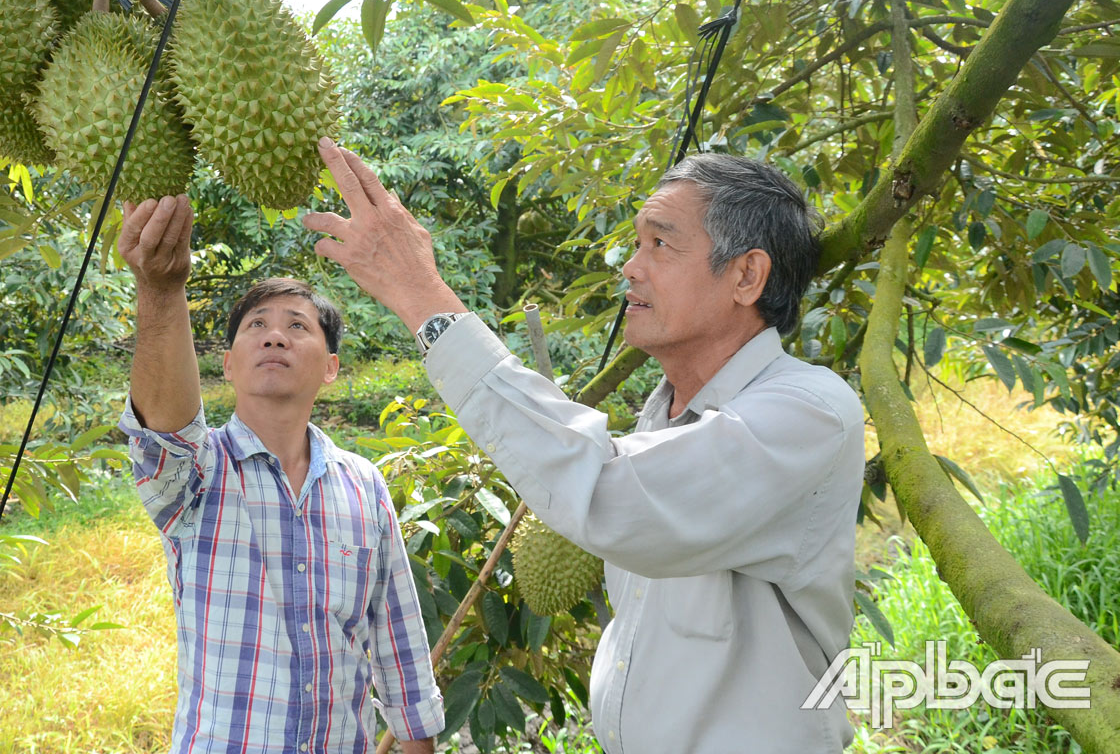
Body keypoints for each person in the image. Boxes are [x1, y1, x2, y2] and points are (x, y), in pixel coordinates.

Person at [303, 142, 865, 753]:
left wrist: (422, 294)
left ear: (746, 275)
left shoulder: (809, 413)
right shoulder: (661, 417)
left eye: (661, 243)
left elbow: (609, 497)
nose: (630, 266)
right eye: (636, 242)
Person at [116, 194, 445, 754]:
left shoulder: (363, 485)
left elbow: (400, 649)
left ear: (331, 367)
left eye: (298, 326)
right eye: (256, 326)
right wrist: (162, 288)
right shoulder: (201, 474)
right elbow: (164, 432)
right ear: (226, 363)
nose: (275, 336)